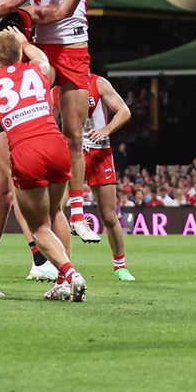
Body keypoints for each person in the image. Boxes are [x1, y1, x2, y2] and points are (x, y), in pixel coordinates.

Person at [0, 0, 88, 296]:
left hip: (17, 108)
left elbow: (60, 12)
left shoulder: (25, 13)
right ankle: (54, 267)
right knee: (17, 195)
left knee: (2, 194)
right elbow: (6, 4)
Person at [0, 26, 85, 302]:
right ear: (20, 53)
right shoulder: (37, 70)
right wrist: (25, 42)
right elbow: (43, 59)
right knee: (56, 214)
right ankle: (63, 282)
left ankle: (71, 274)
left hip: (27, 152)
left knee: (38, 227)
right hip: (55, 143)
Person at [19, 0, 101, 243]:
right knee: (40, 128)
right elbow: (31, 12)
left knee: (75, 136)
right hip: (43, 52)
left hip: (76, 52)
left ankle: (78, 213)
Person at [78, 73, 137, 281]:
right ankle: (50, 265)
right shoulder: (58, 85)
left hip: (99, 153)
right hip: (72, 153)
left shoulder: (98, 83)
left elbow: (124, 111)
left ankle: (120, 265)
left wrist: (106, 129)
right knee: (54, 211)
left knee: (109, 216)